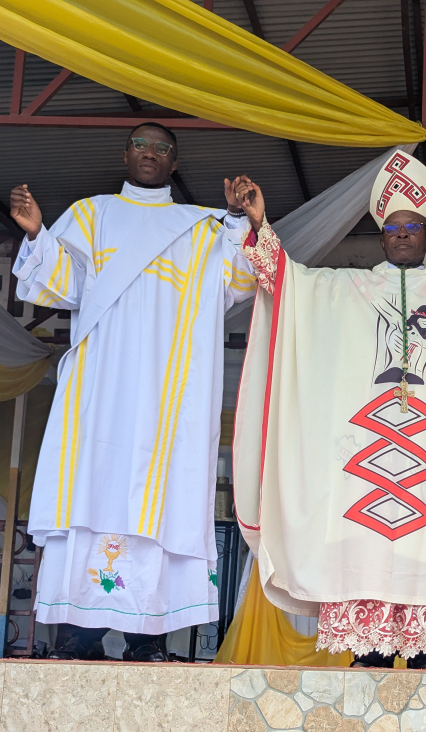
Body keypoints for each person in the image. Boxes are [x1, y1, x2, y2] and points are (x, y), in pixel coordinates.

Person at [232, 151, 426, 669]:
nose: (401, 234)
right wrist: (260, 225)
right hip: (364, 456)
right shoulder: (344, 289)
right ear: (381, 235)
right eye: (392, 226)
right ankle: (368, 658)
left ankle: (420, 660)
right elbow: (287, 286)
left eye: (413, 225)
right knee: (364, 551)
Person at [9, 122, 258, 661]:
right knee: (90, 492)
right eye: (141, 145)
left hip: (173, 394)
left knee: (164, 499)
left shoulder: (202, 227)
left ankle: (149, 639)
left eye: (161, 148)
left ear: (175, 162)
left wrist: (240, 221)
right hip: (102, 390)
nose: (150, 153)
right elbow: (62, 285)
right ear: (126, 155)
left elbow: (237, 285)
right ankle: (80, 635)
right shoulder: (91, 215)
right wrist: (37, 237)